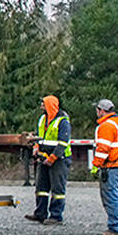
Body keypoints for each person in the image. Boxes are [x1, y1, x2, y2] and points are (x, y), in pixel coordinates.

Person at [24, 94, 71, 225]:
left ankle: (56, 216)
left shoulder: (62, 121)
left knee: (58, 189)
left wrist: (53, 158)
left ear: (50, 105)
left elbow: (63, 143)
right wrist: (36, 147)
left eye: (43, 104)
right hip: (43, 158)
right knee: (41, 188)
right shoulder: (43, 119)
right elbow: (40, 137)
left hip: (59, 159)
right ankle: (40, 213)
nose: (41, 107)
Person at [91, 99, 118, 235]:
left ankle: (115, 229)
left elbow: (103, 149)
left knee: (111, 199)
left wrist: (96, 164)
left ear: (101, 111)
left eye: (97, 110)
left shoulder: (106, 126)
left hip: (111, 167)